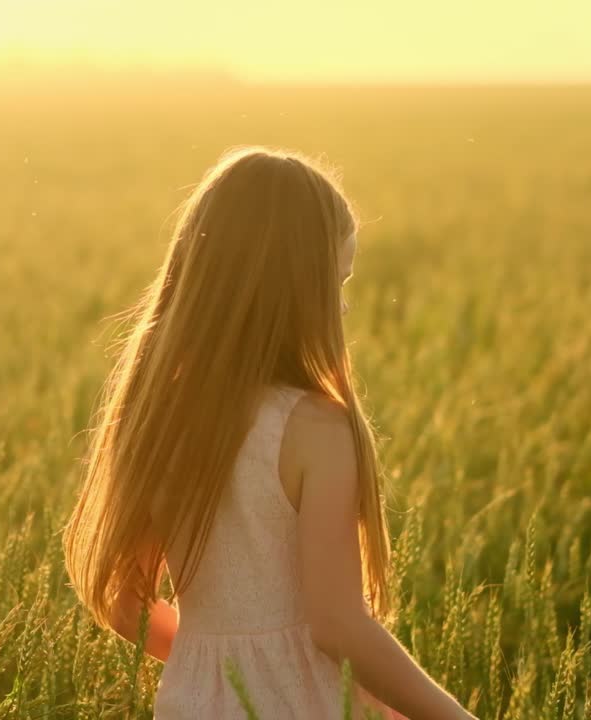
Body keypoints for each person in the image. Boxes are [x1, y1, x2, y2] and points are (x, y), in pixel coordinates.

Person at [61, 145, 478, 719]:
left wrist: (222, 670)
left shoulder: (161, 417)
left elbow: (122, 600)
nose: (345, 304)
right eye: (338, 280)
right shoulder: (315, 429)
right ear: (298, 289)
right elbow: (337, 625)